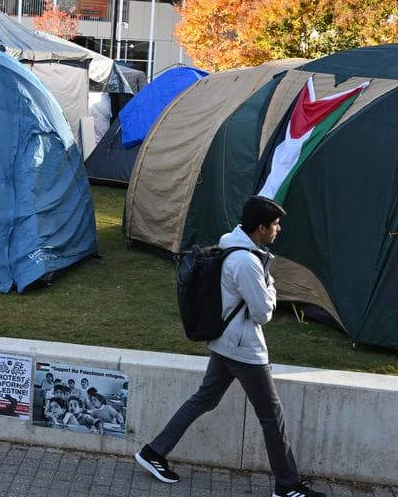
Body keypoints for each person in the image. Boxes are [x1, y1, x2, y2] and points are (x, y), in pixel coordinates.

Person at [135, 196, 325, 497]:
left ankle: (153, 452)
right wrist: (271, 286)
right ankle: (287, 486)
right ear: (260, 228)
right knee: (271, 416)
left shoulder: (233, 247)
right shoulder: (246, 262)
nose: (279, 230)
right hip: (243, 347)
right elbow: (263, 312)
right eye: (275, 225)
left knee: (204, 399)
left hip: (225, 341)